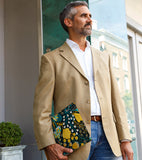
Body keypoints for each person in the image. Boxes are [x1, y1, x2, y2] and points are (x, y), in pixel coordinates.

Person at [33, 1, 134, 160]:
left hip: (108, 135)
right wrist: (48, 144)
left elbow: (116, 101)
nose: (89, 19)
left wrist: (125, 138)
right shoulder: (51, 60)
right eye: (83, 16)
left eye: (90, 16)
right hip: (73, 135)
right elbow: (42, 109)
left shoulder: (103, 57)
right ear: (69, 22)